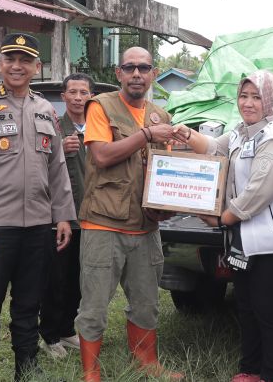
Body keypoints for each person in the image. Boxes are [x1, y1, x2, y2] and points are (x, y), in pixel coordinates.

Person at [0, 33, 76, 382]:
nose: (17, 66)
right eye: (11, 58)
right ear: (0, 63)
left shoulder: (46, 110)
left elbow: (57, 168)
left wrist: (63, 215)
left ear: (37, 66)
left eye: (25, 60)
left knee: (29, 302)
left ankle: (27, 365)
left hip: (38, 226)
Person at [174, 70, 273, 382]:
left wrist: (221, 218)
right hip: (244, 241)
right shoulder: (242, 132)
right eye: (243, 96)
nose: (248, 103)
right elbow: (213, 147)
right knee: (247, 308)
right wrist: (185, 134)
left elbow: (257, 193)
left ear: (272, 100)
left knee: (272, 315)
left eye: (256, 96)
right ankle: (250, 370)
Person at [75, 47, 181, 382]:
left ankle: (147, 363)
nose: (137, 73)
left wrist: (169, 204)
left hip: (146, 227)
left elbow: (166, 173)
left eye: (144, 68)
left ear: (153, 73)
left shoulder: (160, 116)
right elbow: (102, 156)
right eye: (129, 67)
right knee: (94, 304)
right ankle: (91, 372)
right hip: (104, 223)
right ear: (118, 73)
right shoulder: (101, 106)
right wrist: (146, 136)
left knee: (148, 302)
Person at [38, 72, 94, 358]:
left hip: (91, 215)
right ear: (63, 97)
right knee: (56, 279)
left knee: (79, 278)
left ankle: (67, 329)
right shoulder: (54, 126)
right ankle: (48, 334)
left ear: (91, 96)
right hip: (60, 217)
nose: (77, 97)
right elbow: (37, 164)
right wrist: (60, 148)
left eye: (83, 92)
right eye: (72, 92)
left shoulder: (99, 127)